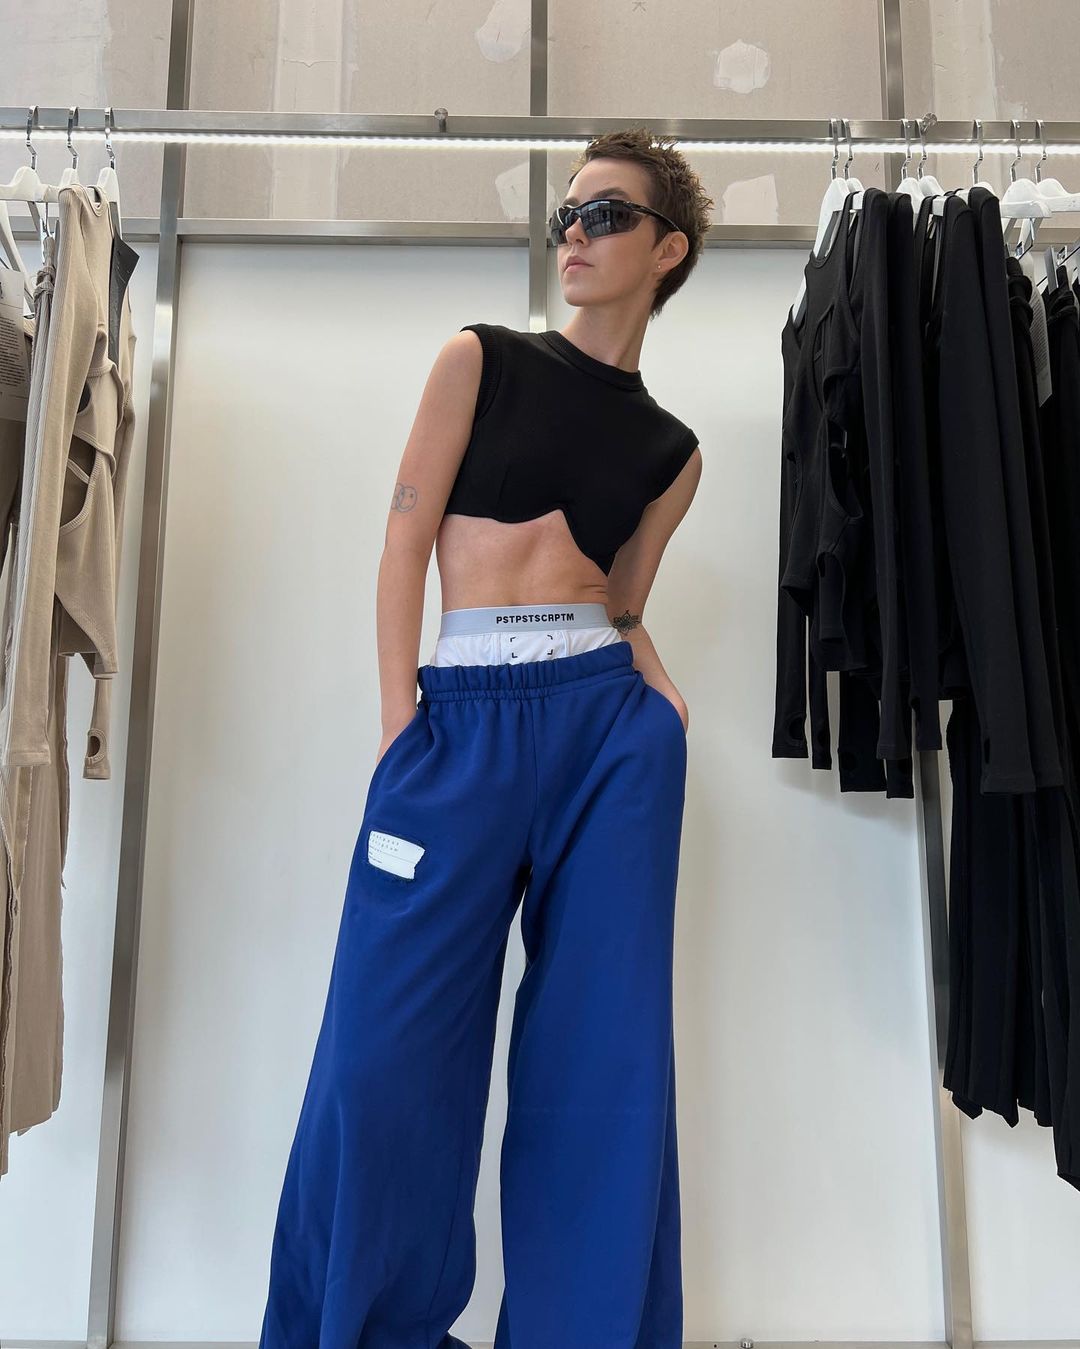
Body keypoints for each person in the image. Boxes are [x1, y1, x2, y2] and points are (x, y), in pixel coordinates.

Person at [258, 125, 712, 1349]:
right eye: (568, 214)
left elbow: (624, 602)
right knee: (379, 1059)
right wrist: (399, 727)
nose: (576, 233)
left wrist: (663, 703)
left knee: (602, 1065)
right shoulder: (481, 359)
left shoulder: (674, 453)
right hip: (453, 730)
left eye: (606, 215)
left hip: (608, 737)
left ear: (667, 250)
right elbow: (403, 544)